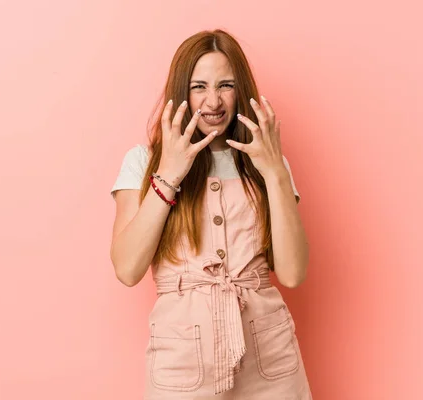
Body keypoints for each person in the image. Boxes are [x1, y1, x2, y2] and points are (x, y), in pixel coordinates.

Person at [110, 29, 312, 399]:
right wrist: (169, 175)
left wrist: (276, 173)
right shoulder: (143, 162)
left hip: (270, 360)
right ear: (181, 93)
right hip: (182, 361)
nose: (213, 101)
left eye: (226, 85)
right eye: (199, 86)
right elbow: (127, 268)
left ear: (242, 91)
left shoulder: (266, 162)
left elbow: (293, 272)